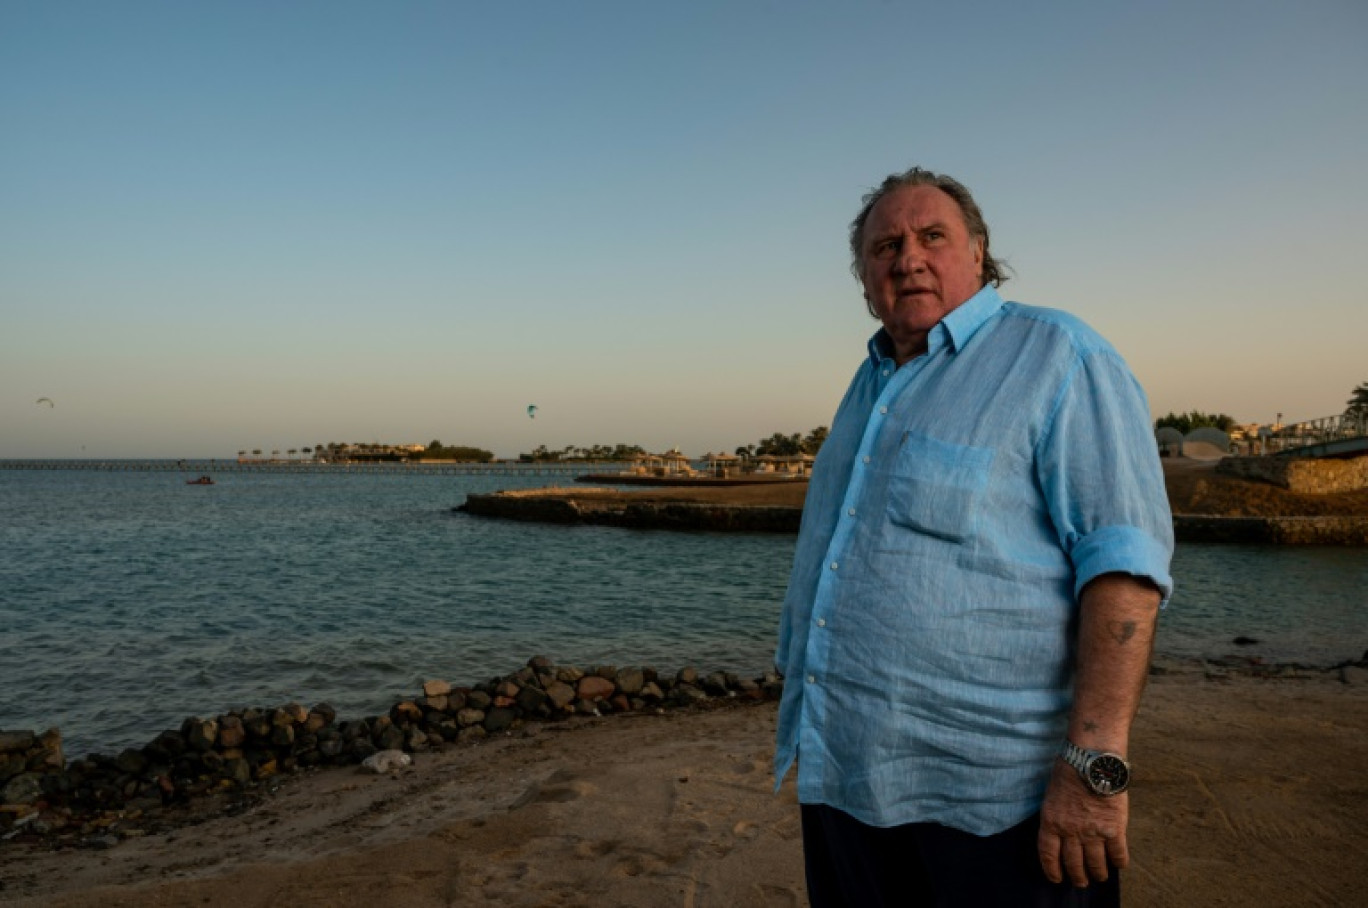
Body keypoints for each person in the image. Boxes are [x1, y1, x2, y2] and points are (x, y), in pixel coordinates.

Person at [774, 166, 1173, 906]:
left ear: (980, 253)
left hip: (999, 804)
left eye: (933, 236)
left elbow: (1124, 573)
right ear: (865, 279)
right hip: (846, 780)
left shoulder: (1060, 357)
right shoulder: (867, 389)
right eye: (884, 245)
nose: (908, 257)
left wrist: (1094, 769)